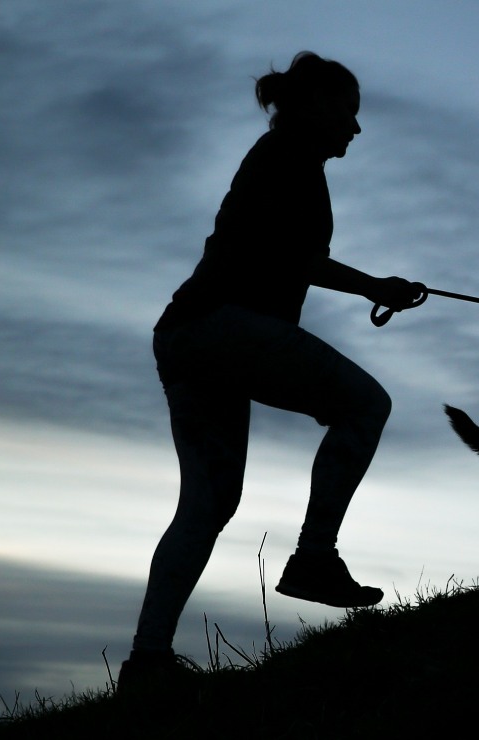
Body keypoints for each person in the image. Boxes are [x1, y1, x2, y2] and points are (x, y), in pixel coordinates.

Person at [119, 51, 423, 690]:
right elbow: (295, 256)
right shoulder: (288, 157)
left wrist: (373, 286)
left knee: (207, 504)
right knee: (366, 405)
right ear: (314, 104)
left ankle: (147, 663)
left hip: (186, 335)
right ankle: (314, 557)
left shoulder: (284, 158)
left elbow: (292, 255)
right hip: (228, 327)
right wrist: (374, 285)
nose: (355, 129)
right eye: (348, 112)